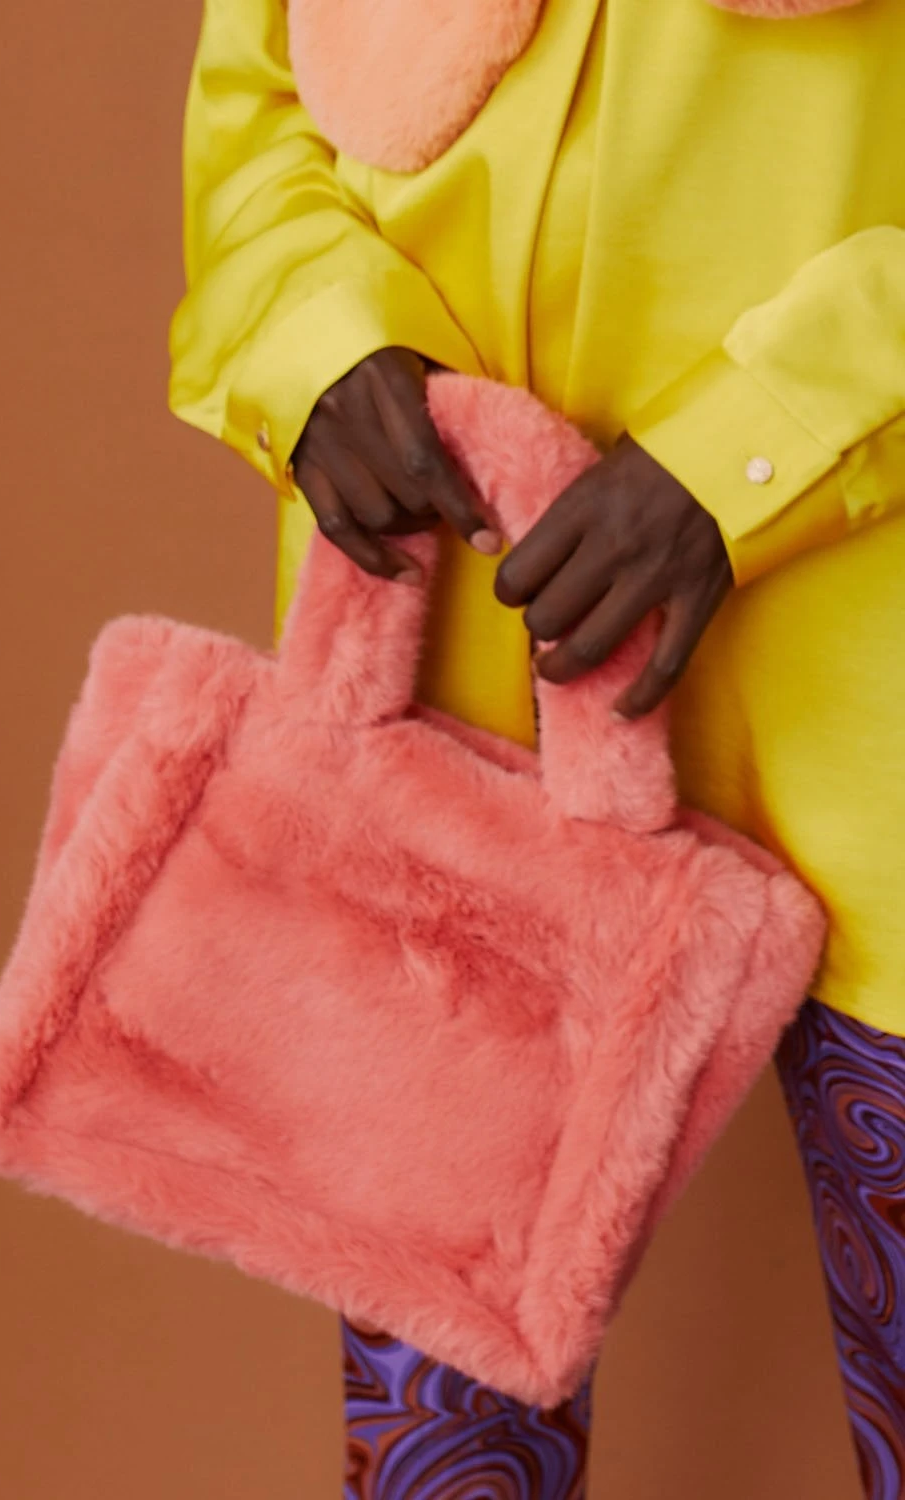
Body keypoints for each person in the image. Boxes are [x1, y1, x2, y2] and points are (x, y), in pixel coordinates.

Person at [166, 0, 905, 1493]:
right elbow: (255, 117)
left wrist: (760, 440)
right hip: (451, 689)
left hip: (866, 687)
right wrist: (321, 345)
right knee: (442, 1442)